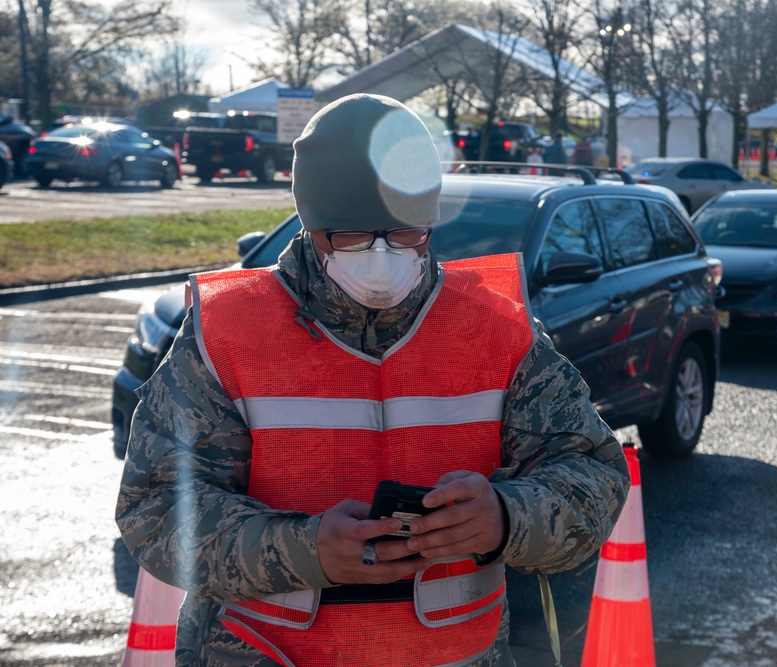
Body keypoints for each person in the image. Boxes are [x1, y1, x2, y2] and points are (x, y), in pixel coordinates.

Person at [116, 93, 629, 667]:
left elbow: (592, 473)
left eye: (406, 233)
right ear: (312, 226)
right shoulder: (230, 332)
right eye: (354, 237)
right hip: (267, 654)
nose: (382, 258)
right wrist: (305, 550)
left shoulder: (497, 329)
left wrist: (507, 516)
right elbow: (157, 507)